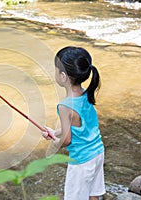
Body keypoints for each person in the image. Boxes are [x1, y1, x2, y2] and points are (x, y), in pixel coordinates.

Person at [42, 46, 105, 200]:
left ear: (63, 76)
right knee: (93, 193)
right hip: (97, 152)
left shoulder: (65, 106)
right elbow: (79, 126)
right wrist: (54, 132)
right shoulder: (85, 93)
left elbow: (67, 139)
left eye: (56, 69)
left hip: (81, 161)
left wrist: (55, 143)